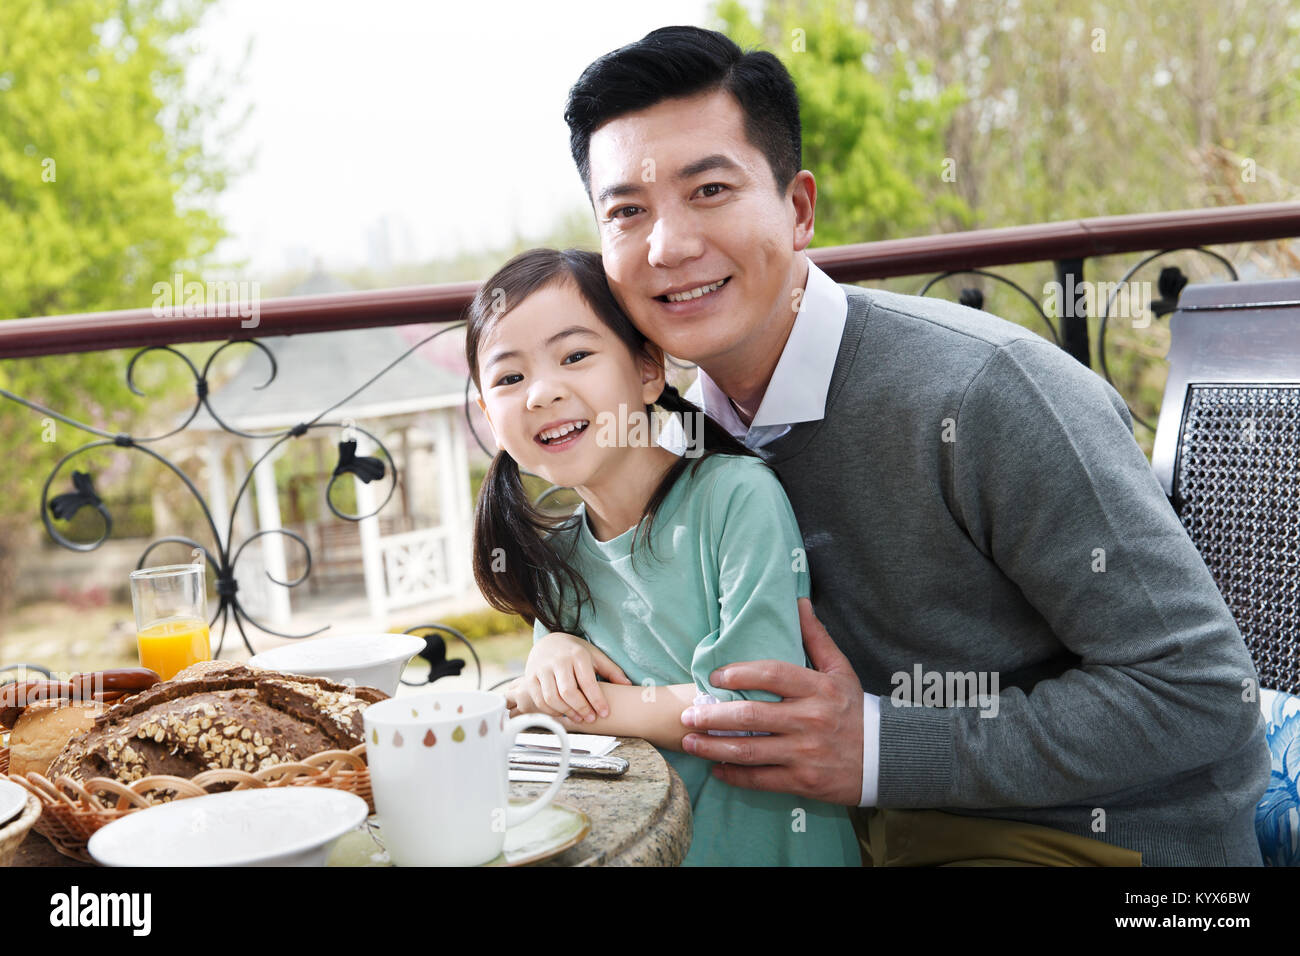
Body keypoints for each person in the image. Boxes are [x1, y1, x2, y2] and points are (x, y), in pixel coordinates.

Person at [550, 25, 1273, 866]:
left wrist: (878, 749)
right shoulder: (676, 435)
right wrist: (564, 639)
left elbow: (1201, 693)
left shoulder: (986, 392)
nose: (668, 246)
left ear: (799, 209)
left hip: (1097, 846)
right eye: (627, 211)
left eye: (709, 189)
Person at [464, 246, 860, 866]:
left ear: (650, 370)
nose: (541, 393)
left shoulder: (735, 499)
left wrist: (591, 710)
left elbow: (752, 715)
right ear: (490, 417)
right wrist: (549, 650)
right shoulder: (559, 557)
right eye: (509, 378)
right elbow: (545, 698)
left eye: (575, 356)